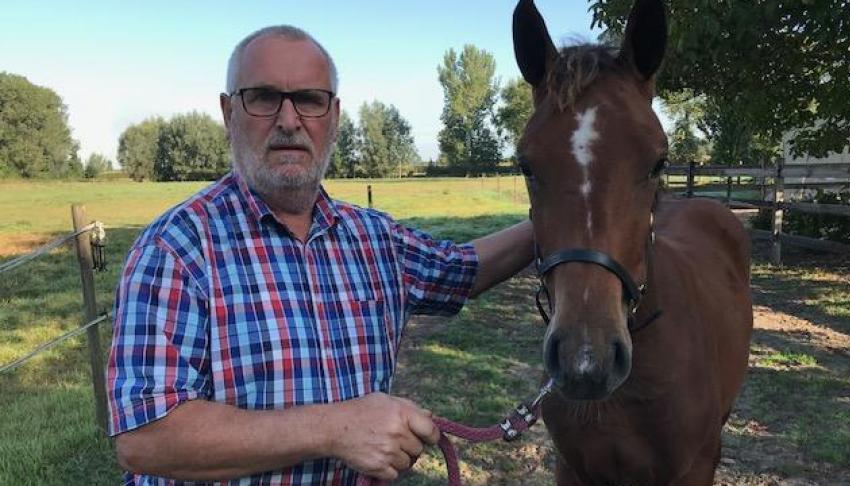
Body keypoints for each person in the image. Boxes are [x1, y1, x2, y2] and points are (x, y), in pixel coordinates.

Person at [106, 25, 533, 485]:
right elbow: (145, 436)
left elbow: (462, 270)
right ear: (229, 113)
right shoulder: (178, 248)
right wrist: (334, 429)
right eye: (264, 97)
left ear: (333, 116)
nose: (289, 120)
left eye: (310, 99)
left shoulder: (374, 240)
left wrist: (568, 219)